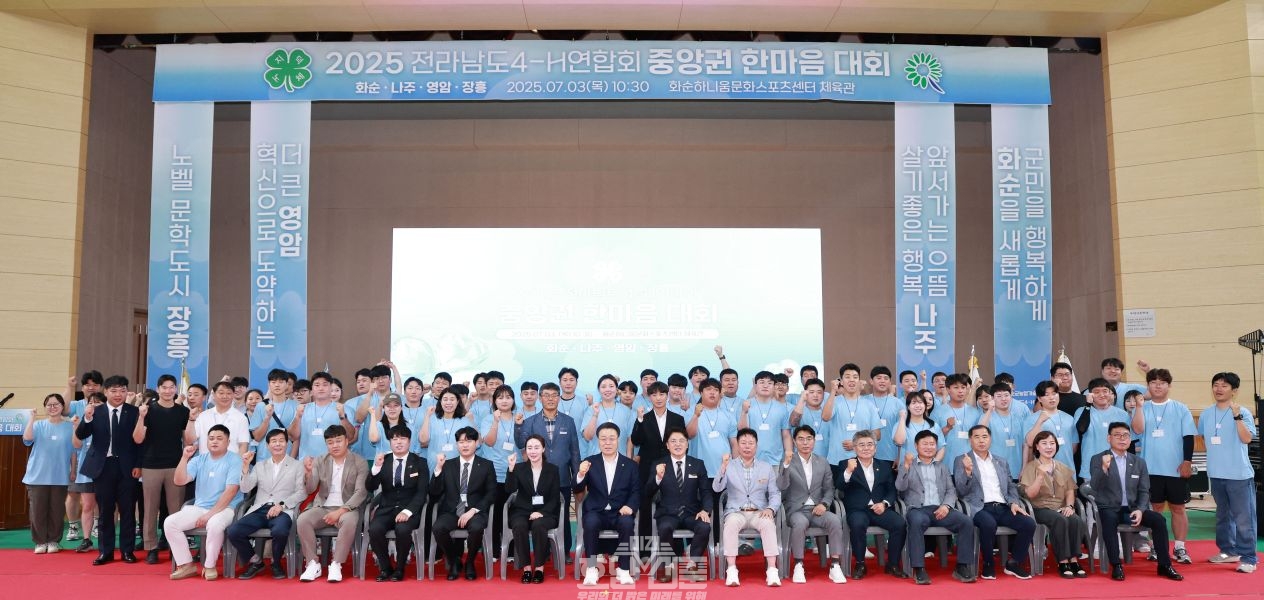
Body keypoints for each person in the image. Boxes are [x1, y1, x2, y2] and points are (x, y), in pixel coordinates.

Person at [1090, 422, 1184, 581]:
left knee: (1159, 520)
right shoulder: (1098, 458)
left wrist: (1140, 509)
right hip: (1109, 508)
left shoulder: (1139, 462)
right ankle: (1116, 565)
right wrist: (1104, 468)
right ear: (1108, 438)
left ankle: (1164, 565)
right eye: (1117, 435)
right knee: (1109, 519)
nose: (1122, 438)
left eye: (1126, 435)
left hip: (1132, 509)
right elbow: (1094, 486)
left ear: (1130, 439)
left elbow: (1144, 490)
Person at [952, 425, 1035, 580]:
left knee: (1028, 523)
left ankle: (1014, 563)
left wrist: (1014, 503)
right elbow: (961, 490)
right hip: (979, 507)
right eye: (976, 437)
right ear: (970, 440)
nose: (981, 441)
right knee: (988, 524)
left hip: (1003, 506)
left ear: (990, 439)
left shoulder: (1001, 461)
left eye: (985, 437)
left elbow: (1011, 486)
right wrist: (968, 472)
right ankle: (988, 563)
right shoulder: (962, 460)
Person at [1130, 368, 1196, 564]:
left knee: (1178, 508)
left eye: (1162, 383)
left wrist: (1187, 461)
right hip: (1150, 469)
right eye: (1153, 382)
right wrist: (1139, 407)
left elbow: (1188, 437)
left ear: (1169, 385)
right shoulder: (1141, 408)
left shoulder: (1180, 408)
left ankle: (1180, 547)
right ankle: (1156, 547)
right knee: (1154, 509)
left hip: (1175, 468)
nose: (1157, 386)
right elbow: (1137, 430)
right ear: (1148, 386)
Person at [75, 374, 142, 566]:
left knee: (128, 510)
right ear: (105, 392)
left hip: (128, 468)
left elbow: (140, 442)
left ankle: (127, 551)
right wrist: (87, 418)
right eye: (114, 391)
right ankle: (105, 552)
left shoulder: (134, 412)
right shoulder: (96, 411)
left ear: (126, 392)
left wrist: (138, 465)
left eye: (122, 390)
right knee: (105, 511)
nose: (118, 394)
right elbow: (81, 434)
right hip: (103, 467)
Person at [896, 430, 976, 585]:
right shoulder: (908, 465)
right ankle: (919, 568)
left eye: (932, 444)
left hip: (940, 509)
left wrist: (946, 506)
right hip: (917, 509)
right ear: (916, 446)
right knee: (916, 522)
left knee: (966, 522)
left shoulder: (942, 467)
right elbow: (900, 487)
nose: (929, 447)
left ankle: (962, 566)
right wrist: (905, 466)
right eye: (924, 444)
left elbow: (951, 490)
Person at [1197, 372, 1258, 572]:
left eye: (1224, 385)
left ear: (1234, 390)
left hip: (1239, 475)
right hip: (1216, 474)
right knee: (1223, 516)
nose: (1219, 389)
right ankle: (1228, 551)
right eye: (1216, 385)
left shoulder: (1243, 412)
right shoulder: (1206, 414)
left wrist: (1237, 416)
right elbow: (1204, 438)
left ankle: (1249, 558)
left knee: (1244, 519)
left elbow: (1246, 439)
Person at [165, 425, 243, 580]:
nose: (214, 441)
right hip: (200, 507)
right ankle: (186, 565)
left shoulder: (235, 460)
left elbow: (231, 491)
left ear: (228, 442)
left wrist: (209, 515)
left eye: (219, 438)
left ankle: (209, 566)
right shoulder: (199, 459)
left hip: (226, 508)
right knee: (170, 523)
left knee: (214, 524)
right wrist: (185, 458)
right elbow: (179, 481)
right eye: (211, 438)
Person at [228, 428, 305, 580]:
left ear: (287, 444)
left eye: (281, 441)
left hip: (282, 509)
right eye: (274, 441)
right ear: (268, 445)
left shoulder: (297, 465)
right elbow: (245, 488)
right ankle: (256, 562)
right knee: (233, 531)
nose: (278, 444)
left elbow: (301, 492)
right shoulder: (260, 465)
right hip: (260, 509)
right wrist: (245, 467)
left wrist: (281, 505)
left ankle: (276, 563)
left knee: (280, 531)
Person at [516, 382, 581, 561]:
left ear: (559, 398)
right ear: (540, 398)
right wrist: (518, 426)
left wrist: (577, 477)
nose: (550, 399)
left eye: (554, 395)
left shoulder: (568, 421)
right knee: (540, 516)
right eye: (546, 395)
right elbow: (521, 443)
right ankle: (543, 552)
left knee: (563, 516)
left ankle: (564, 551)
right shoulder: (530, 421)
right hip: (537, 479)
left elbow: (575, 451)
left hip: (562, 477)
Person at [297, 425, 369, 583]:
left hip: (348, 508)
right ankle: (312, 563)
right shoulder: (321, 460)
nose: (334, 445)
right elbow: (310, 489)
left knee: (349, 521)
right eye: (330, 442)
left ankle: (336, 564)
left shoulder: (359, 462)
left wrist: (340, 511)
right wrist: (308, 473)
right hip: (323, 506)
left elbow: (361, 492)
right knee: (303, 519)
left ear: (347, 441)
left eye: (338, 441)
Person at [132, 373, 190, 564]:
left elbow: (188, 440)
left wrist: (192, 420)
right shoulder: (148, 410)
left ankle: (176, 547)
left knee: (176, 510)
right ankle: (151, 547)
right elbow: (138, 439)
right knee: (149, 508)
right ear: (158, 389)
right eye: (164, 387)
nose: (168, 391)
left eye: (171, 387)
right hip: (151, 465)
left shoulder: (183, 412)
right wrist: (141, 417)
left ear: (176, 389)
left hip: (175, 465)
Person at [777, 425, 846, 584]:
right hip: (796, 510)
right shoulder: (788, 461)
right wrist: (786, 466)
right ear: (794, 442)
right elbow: (781, 486)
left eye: (809, 439)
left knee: (835, 520)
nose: (805, 443)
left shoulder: (822, 462)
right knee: (800, 523)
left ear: (814, 441)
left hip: (818, 509)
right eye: (801, 439)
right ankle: (799, 564)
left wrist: (824, 504)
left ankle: (835, 565)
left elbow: (829, 489)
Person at [713, 428, 781, 587]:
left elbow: (775, 493)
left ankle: (772, 570)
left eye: (751, 443)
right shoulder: (729, 465)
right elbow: (717, 488)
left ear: (756, 445)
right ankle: (731, 569)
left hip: (759, 512)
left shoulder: (766, 467)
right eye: (743, 443)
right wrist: (723, 468)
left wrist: (771, 509)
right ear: (737, 445)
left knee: (768, 524)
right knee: (730, 524)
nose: (747, 446)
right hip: (736, 511)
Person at [643, 427, 711, 583]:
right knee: (665, 527)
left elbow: (706, 491)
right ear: (667, 445)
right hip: (668, 513)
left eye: (681, 441)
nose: (677, 444)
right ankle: (668, 566)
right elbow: (647, 492)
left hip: (692, 513)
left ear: (687, 444)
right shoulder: (659, 464)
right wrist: (657, 477)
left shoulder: (697, 464)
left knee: (704, 527)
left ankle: (693, 565)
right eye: (673, 441)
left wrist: (706, 510)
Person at [838, 429, 907, 580]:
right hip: (857, 510)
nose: (866, 448)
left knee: (899, 523)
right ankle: (860, 564)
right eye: (861, 445)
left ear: (875, 448)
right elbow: (840, 487)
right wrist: (848, 471)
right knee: (857, 524)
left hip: (879, 508)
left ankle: (893, 564)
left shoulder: (884, 466)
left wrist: (885, 503)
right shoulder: (846, 464)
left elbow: (891, 490)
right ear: (854, 448)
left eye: (870, 444)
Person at [576, 422, 640, 586]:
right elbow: (577, 488)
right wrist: (581, 474)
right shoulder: (590, 462)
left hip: (620, 511)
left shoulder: (630, 465)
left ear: (618, 440)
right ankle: (591, 569)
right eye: (603, 439)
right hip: (596, 511)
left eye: (612, 438)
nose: (608, 442)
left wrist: (630, 506)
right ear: (598, 441)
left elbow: (636, 491)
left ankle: (623, 570)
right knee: (590, 522)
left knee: (627, 523)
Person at [430, 425, 496, 581]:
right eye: (461, 442)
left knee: (477, 527)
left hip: (475, 511)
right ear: (456, 445)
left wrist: (473, 510)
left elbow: (491, 493)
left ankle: (470, 562)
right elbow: (434, 492)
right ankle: (454, 560)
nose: (465, 445)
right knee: (438, 528)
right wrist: (438, 469)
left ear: (476, 443)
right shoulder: (448, 465)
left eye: (469, 441)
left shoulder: (486, 465)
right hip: (452, 510)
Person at [1018, 431, 1087, 578]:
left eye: (1052, 443)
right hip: (1039, 508)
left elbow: (1070, 491)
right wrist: (1040, 476)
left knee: (1075, 520)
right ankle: (1063, 561)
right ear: (1037, 447)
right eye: (1044, 443)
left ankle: (1074, 559)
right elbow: (1030, 494)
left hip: (1060, 507)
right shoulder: (1031, 467)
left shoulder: (1062, 467)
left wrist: (1069, 506)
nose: (1049, 447)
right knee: (1059, 520)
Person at [366, 425, 429, 582]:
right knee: (374, 529)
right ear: (390, 442)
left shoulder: (420, 462)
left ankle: (400, 568)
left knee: (403, 529)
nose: (398, 442)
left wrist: (408, 512)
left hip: (409, 510)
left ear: (409, 441)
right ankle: (385, 567)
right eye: (394, 439)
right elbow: (370, 487)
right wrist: (376, 467)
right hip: (386, 508)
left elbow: (422, 492)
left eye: (402, 438)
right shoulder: (383, 460)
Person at [632, 380, 687, 551]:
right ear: (649, 397)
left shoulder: (677, 418)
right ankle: (645, 550)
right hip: (647, 469)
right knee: (645, 508)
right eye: (654, 394)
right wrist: (639, 420)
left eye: (662, 394)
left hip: (672, 468)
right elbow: (636, 440)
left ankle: (675, 550)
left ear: (667, 395)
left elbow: (682, 443)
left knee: (673, 507)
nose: (658, 398)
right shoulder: (644, 418)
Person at [22, 393, 74, 554]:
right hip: (37, 476)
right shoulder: (38, 425)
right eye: (49, 405)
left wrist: (73, 471)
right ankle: (40, 542)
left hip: (60, 475)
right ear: (45, 407)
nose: (53, 407)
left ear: (62, 407)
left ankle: (53, 541)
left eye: (56, 404)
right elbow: (27, 439)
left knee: (57, 511)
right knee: (37, 511)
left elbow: (74, 451)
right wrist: (31, 418)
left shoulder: (70, 426)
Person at [506, 434, 561, 584]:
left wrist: (541, 512)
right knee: (519, 525)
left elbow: (555, 498)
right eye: (529, 448)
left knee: (539, 525)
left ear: (543, 449)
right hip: (522, 511)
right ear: (525, 450)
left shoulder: (553, 469)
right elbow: (510, 489)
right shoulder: (519, 468)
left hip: (546, 512)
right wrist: (511, 469)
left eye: (537, 447)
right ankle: (526, 569)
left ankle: (539, 568)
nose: (533, 451)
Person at [478, 384, 519, 563]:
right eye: (500, 397)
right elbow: (489, 441)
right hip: (493, 474)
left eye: (508, 397)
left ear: (513, 400)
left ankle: (511, 552)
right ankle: (494, 551)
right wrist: (496, 421)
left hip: (514, 474)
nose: (504, 401)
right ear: (494, 401)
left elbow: (524, 445)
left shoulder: (519, 419)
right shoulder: (488, 419)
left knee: (513, 514)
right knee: (494, 515)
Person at [822, 364, 881, 478]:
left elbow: (877, 435)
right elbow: (825, 417)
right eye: (847, 377)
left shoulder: (869, 405)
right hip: (837, 460)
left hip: (863, 460)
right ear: (841, 381)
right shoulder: (834, 401)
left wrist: (856, 443)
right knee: (838, 489)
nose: (852, 380)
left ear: (859, 381)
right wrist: (833, 391)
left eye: (855, 377)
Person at [1072, 378, 1131, 481]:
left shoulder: (1122, 414)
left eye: (1105, 391)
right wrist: (1087, 405)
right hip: (1091, 467)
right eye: (1096, 392)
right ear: (1090, 394)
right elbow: (1081, 429)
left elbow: (1128, 441)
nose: (1102, 395)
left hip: (1117, 467)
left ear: (1110, 393)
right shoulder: (1081, 411)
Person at [738, 371, 793, 465]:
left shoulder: (782, 408)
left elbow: (786, 434)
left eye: (770, 383)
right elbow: (742, 432)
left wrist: (789, 451)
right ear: (755, 386)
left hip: (775, 460)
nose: (765, 386)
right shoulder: (746, 404)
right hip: (751, 459)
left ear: (774, 387)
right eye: (762, 382)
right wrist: (744, 412)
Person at [1024, 380, 1076, 471]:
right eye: (1046, 395)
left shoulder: (1069, 418)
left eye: (1054, 393)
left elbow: (1074, 445)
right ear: (1039, 399)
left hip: (1067, 469)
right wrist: (1039, 421)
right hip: (1043, 471)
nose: (1051, 398)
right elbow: (1030, 443)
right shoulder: (1031, 419)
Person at [930, 374, 981, 465]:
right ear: (948, 389)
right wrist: (947, 428)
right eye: (956, 387)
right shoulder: (938, 412)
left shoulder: (975, 412)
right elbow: (931, 439)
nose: (960, 391)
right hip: (946, 463)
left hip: (970, 463)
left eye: (963, 387)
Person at [582, 374, 636, 457]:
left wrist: (628, 460)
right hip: (596, 459)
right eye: (603, 387)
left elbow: (630, 439)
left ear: (617, 389)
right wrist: (595, 415)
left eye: (611, 386)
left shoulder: (626, 411)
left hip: (620, 460)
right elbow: (587, 437)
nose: (607, 389)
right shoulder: (591, 409)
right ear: (599, 390)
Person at [978, 383, 1030, 467]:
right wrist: (990, 410)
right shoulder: (987, 417)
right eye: (999, 396)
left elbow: (1025, 445)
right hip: (995, 467)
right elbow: (979, 433)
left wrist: (1024, 467)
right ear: (992, 398)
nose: (1003, 399)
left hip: (1017, 467)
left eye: (1006, 395)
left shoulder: (1018, 418)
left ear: (1011, 396)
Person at [193, 380, 251, 455]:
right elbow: (191, 439)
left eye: (229, 393)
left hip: (230, 461)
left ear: (233, 395)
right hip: (205, 461)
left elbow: (243, 445)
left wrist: (238, 462)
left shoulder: (241, 418)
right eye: (221, 393)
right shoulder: (203, 416)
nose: (225, 396)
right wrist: (191, 420)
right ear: (214, 395)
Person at [418, 388, 473, 468]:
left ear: (457, 401)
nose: (448, 402)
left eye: (452, 399)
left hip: (457, 466)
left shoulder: (465, 421)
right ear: (440, 401)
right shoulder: (432, 419)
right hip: (434, 465)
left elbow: (474, 443)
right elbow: (423, 440)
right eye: (445, 399)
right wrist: (427, 416)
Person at [864, 366, 904, 463]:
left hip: (891, 456)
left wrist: (899, 456)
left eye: (886, 378)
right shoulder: (863, 401)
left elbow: (903, 431)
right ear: (871, 381)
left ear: (890, 382)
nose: (882, 381)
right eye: (879, 378)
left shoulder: (898, 403)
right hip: (865, 455)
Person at [892, 390, 942, 463]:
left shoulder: (933, 425)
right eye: (914, 403)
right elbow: (899, 441)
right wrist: (902, 418)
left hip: (929, 466)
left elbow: (941, 447)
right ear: (908, 407)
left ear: (925, 405)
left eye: (920, 402)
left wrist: (934, 463)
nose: (918, 406)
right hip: (907, 466)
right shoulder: (901, 424)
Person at [789, 378, 831, 458]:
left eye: (819, 392)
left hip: (826, 460)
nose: (815, 395)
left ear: (824, 394)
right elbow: (793, 422)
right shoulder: (798, 409)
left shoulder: (828, 412)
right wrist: (802, 399)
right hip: (803, 459)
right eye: (811, 392)